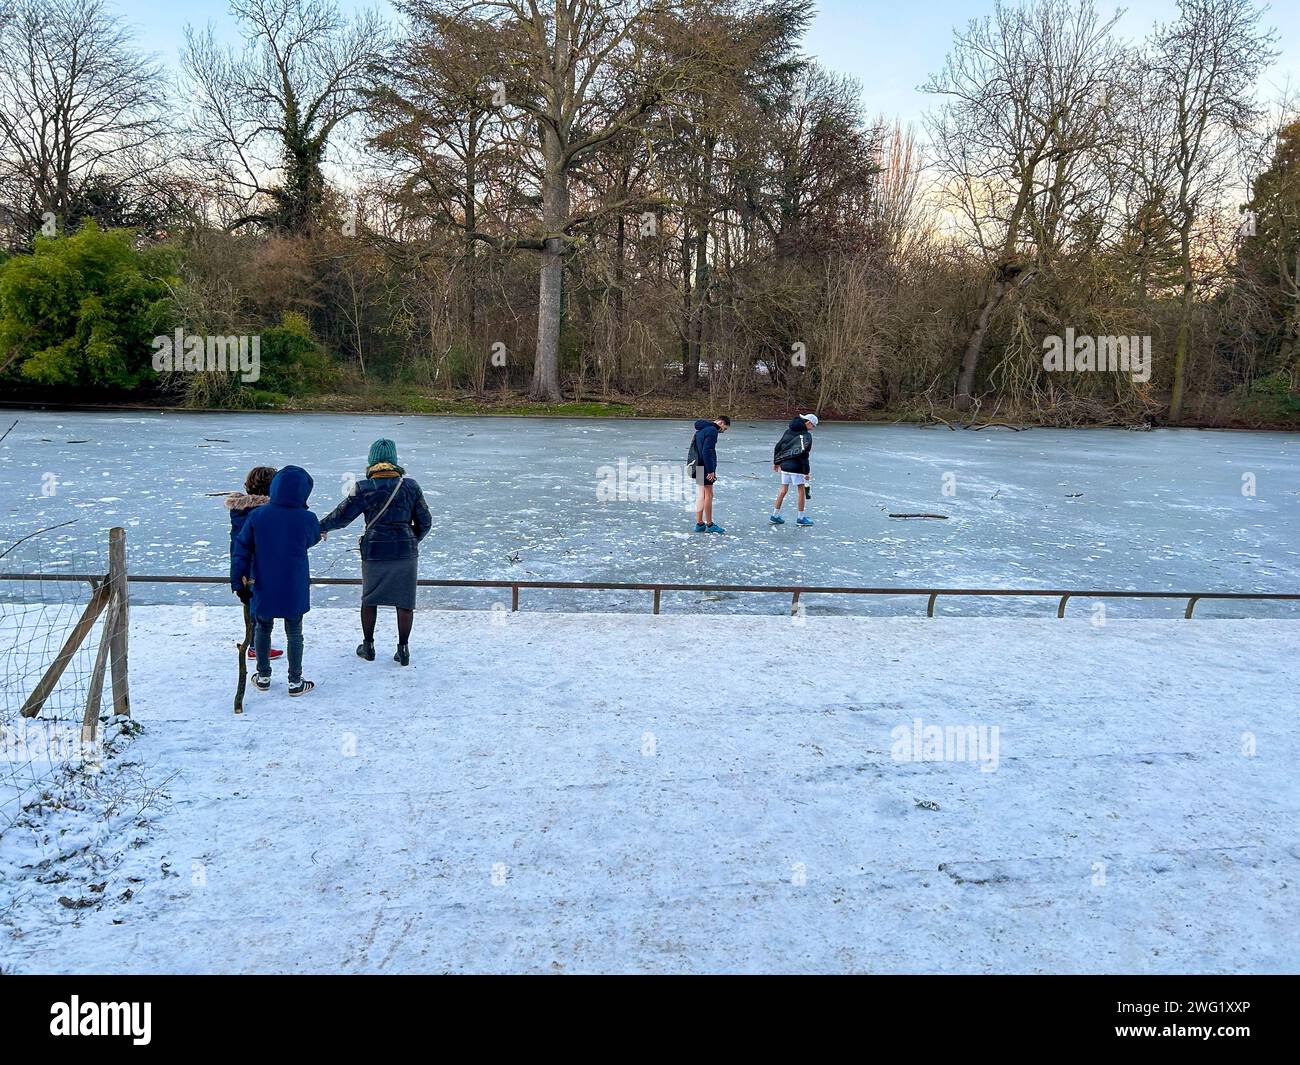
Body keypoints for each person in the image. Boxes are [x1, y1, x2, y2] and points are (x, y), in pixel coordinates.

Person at [319, 438, 432, 666]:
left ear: (371, 461)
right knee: (405, 601)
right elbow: (425, 522)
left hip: (375, 550)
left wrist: (319, 527)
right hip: (405, 552)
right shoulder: (410, 486)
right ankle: (403, 650)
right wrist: (411, 539)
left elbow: (341, 517)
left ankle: (368, 646)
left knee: (370, 598)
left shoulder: (363, 488)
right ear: (394, 460)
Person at [230, 465, 323, 697]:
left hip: (263, 582)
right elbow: (312, 539)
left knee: (263, 627)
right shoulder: (308, 518)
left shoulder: (257, 516)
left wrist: (238, 583)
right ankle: (295, 681)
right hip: (294, 583)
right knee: (294, 631)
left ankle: (263, 676)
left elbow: (241, 550)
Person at [225, 465, 284, 661]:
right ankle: (257, 648)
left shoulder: (240, 511)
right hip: (261, 567)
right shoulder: (267, 512)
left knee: (254, 608)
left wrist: (236, 577)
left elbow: (237, 545)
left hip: (244, 568)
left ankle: (254, 644)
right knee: (262, 611)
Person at [770, 414, 818, 526]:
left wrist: (776, 462)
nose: (813, 428)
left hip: (785, 466)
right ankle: (801, 518)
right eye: (813, 426)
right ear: (808, 422)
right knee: (801, 491)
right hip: (797, 468)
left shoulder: (788, 431)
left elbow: (778, 446)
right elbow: (804, 455)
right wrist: (806, 472)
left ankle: (775, 515)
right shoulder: (806, 436)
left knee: (783, 490)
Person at [690, 416, 731, 533]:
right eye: (725, 428)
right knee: (708, 494)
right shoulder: (712, 430)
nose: (722, 431)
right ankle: (710, 524)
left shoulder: (701, 430)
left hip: (697, 465)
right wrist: (710, 470)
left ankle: (699, 524)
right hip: (705, 467)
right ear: (721, 423)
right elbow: (707, 451)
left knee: (700, 494)